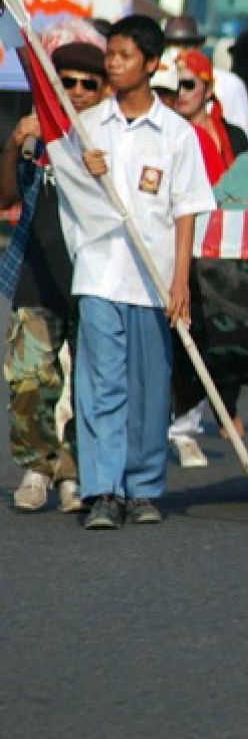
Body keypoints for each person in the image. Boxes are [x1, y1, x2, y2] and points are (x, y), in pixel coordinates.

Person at [65, 15, 216, 529]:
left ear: (152, 64)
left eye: (125, 56)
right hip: (99, 272)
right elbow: (67, 184)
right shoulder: (86, 126)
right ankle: (103, 489)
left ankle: (144, 487)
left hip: (152, 279)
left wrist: (180, 281)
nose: (113, 64)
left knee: (149, 388)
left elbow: (187, 208)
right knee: (102, 384)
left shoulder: (176, 134)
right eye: (111, 54)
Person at [0, 41, 107, 513]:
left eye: (90, 84)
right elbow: (5, 198)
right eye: (68, 82)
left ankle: (74, 471)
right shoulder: (37, 132)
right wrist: (14, 142)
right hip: (37, 275)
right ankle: (36, 467)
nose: (78, 91)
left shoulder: (109, 136)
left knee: (90, 382)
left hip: (96, 276)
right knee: (27, 379)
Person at [165, 48, 248, 467]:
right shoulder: (170, 134)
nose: (180, 93)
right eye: (175, 85)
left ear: (207, 88)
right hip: (185, 244)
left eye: (188, 84)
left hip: (230, 248)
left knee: (227, 331)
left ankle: (225, 406)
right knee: (185, 331)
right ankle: (182, 428)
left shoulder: (232, 134)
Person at [162, 15, 248, 135]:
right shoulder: (156, 80)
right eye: (170, 44)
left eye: (187, 44)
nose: (178, 51)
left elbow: (240, 136)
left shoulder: (229, 84)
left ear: (199, 46)